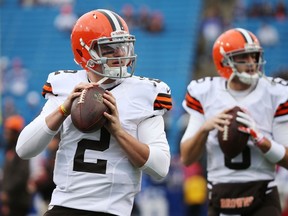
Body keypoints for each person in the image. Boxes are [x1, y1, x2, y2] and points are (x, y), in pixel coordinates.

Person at [16, 9, 172, 216]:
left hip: (111, 210)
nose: (120, 54)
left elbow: (160, 167)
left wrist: (119, 132)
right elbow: (24, 149)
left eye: (123, 46)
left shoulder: (145, 93)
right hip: (63, 206)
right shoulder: (65, 86)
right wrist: (63, 110)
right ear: (84, 53)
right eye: (109, 49)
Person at [180, 28, 288, 216]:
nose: (252, 63)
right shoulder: (204, 92)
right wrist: (205, 128)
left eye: (254, 56)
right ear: (224, 61)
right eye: (243, 58)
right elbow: (187, 158)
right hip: (220, 196)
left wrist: (263, 141)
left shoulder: (275, 92)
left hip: (262, 195)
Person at [1, 115, 33, 216]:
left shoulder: (21, 151)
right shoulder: (10, 149)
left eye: (9, 132)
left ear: (16, 133)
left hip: (18, 201)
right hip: (10, 201)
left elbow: (22, 175)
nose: (6, 135)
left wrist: (7, 191)